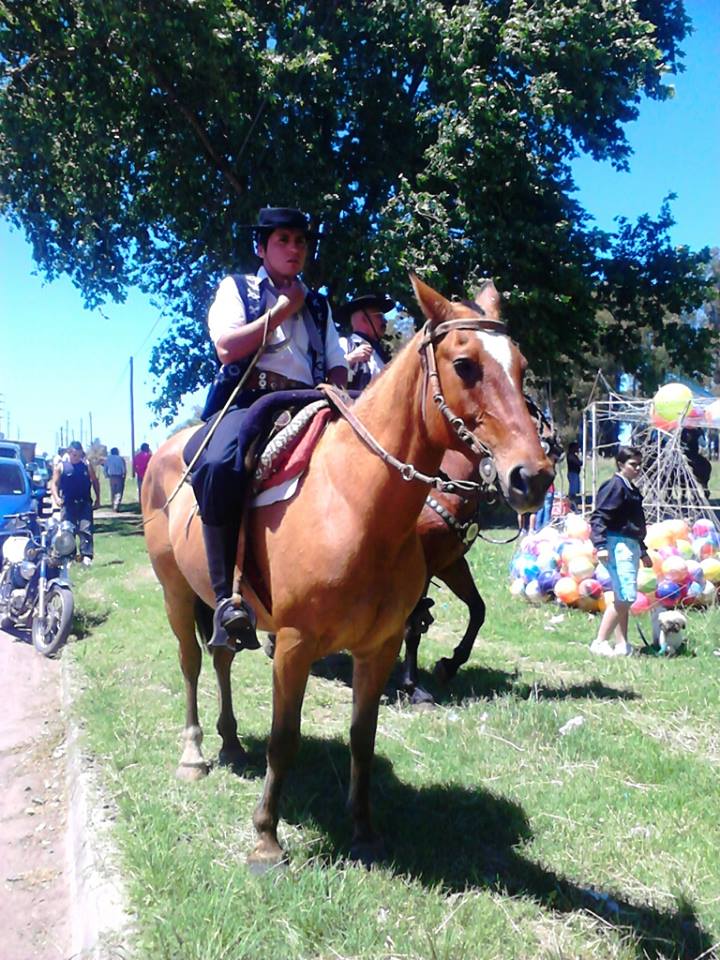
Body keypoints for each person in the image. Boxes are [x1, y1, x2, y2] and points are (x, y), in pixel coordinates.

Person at [192, 206, 348, 652]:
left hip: (311, 400)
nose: (294, 248)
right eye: (283, 240)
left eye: (300, 241)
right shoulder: (236, 288)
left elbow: (336, 362)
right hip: (249, 401)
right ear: (261, 248)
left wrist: (338, 392)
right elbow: (226, 348)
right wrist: (281, 312)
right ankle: (225, 599)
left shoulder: (318, 304)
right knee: (219, 464)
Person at [589, 445, 651, 657]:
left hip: (631, 545)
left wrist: (643, 551)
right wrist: (600, 545)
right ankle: (599, 642)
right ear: (620, 464)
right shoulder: (615, 486)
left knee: (621, 596)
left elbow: (634, 523)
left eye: (640, 464)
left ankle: (622, 644)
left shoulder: (631, 488)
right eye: (633, 464)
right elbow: (599, 517)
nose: (638, 468)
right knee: (626, 596)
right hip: (617, 545)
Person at [50, 440, 100, 566]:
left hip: (84, 502)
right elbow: (54, 484)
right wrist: (56, 498)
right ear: (69, 453)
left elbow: (95, 481)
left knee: (86, 529)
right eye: (74, 454)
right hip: (68, 503)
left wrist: (98, 498)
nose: (77, 457)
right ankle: (68, 557)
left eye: (79, 454)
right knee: (67, 530)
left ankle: (86, 556)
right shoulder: (61, 467)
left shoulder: (86, 465)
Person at [337, 293, 394, 390]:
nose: (385, 321)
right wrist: (351, 358)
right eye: (379, 316)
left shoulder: (381, 353)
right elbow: (331, 375)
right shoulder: (345, 344)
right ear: (364, 319)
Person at [104, 446, 127, 512]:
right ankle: (116, 505)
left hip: (111, 476)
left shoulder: (108, 459)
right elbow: (123, 468)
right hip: (119, 476)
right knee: (119, 491)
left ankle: (113, 505)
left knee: (113, 491)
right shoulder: (120, 458)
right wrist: (124, 475)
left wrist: (106, 475)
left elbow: (105, 468)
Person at [566, 441, 582, 509]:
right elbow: (579, 463)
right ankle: (571, 505)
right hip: (573, 474)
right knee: (573, 491)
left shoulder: (573, 455)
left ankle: (574, 505)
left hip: (575, 474)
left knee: (576, 490)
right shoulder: (571, 456)